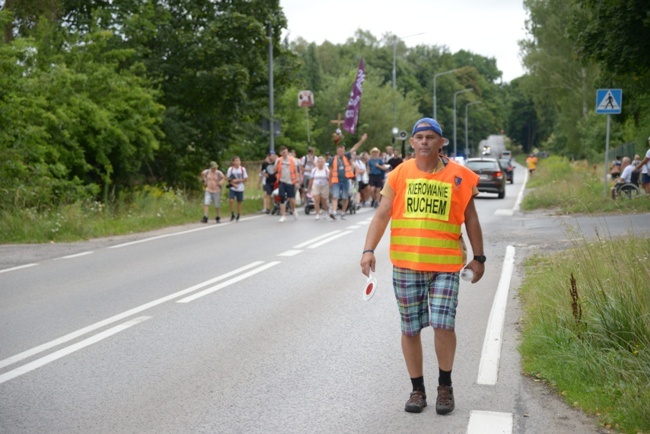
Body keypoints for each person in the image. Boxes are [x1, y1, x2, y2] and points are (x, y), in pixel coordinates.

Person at [360, 117, 485, 416]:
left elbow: (471, 219)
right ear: (413, 142)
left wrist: (479, 258)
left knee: (444, 323)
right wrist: (368, 250)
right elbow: (381, 215)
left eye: (431, 137)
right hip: (407, 265)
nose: (425, 142)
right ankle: (417, 389)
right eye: (420, 137)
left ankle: (445, 386)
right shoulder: (399, 174)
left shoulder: (460, 176)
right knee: (411, 328)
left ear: (442, 143)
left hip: (445, 265)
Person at [328, 133, 368, 219]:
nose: (341, 152)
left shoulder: (347, 156)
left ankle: (343, 212)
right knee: (335, 196)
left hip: (346, 180)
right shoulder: (333, 159)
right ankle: (334, 212)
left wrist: (362, 140)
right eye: (339, 151)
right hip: (336, 181)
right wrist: (329, 182)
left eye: (342, 151)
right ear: (337, 151)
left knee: (345, 197)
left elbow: (355, 147)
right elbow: (331, 171)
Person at [274, 146, 301, 222]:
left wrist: (296, 181)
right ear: (280, 153)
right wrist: (277, 164)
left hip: (290, 182)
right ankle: (283, 215)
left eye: (286, 152)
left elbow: (296, 171)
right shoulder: (279, 160)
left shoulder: (292, 160)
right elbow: (274, 170)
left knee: (291, 198)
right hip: (282, 181)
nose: (285, 153)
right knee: (281, 198)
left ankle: (293, 209)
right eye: (283, 152)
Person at [226, 156, 248, 221]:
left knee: (239, 202)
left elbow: (245, 179)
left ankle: (238, 214)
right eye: (236, 160)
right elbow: (228, 178)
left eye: (239, 160)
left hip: (240, 188)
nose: (238, 162)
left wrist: (237, 181)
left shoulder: (242, 169)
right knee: (231, 200)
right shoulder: (230, 169)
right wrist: (233, 184)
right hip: (233, 187)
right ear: (233, 162)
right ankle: (232, 213)